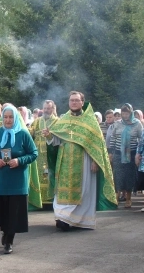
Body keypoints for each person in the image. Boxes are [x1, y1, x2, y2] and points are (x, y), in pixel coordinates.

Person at [44, 91, 117, 231]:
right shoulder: (64, 119)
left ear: (82, 102)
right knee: (63, 190)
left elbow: (97, 145)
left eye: (77, 100)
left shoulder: (90, 121)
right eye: (72, 100)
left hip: (84, 161)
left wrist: (95, 161)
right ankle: (62, 218)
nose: (74, 102)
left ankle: (80, 219)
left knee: (84, 190)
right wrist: (49, 136)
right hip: (64, 160)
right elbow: (56, 139)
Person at [0, 105, 38, 254]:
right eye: (5, 117)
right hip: (0, 181)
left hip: (17, 181)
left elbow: (34, 153)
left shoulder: (23, 134)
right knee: (1, 211)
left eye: (11, 117)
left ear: (15, 118)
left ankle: (9, 240)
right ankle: (5, 231)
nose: (8, 120)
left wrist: (19, 160)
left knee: (13, 212)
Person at [108, 103, 143, 208]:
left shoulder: (137, 124)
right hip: (118, 154)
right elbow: (113, 138)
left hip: (131, 155)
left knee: (129, 177)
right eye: (123, 112)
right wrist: (110, 153)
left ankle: (128, 199)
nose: (125, 114)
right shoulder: (117, 123)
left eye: (127, 112)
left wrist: (139, 154)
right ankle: (116, 198)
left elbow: (141, 139)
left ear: (131, 112)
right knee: (118, 176)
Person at [29, 100, 59, 204]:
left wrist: (50, 135)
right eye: (45, 108)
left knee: (49, 174)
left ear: (52, 108)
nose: (46, 110)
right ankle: (38, 199)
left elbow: (59, 138)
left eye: (48, 108)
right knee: (38, 175)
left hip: (50, 154)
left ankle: (51, 199)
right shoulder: (37, 121)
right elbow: (31, 132)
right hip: (38, 154)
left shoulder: (57, 122)